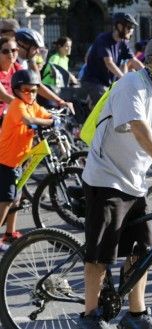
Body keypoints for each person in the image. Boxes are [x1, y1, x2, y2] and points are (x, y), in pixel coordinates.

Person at [78, 36, 152, 329]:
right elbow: (138, 126)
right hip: (106, 179)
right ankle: (89, 315)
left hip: (134, 182)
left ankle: (136, 314)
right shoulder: (132, 84)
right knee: (100, 253)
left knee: (141, 250)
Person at [0, 70, 56, 251]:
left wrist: (54, 117)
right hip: (5, 161)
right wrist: (49, 122)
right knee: (7, 200)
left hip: (18, 160)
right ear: (16, 91)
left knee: (16, 198)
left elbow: (45, 114)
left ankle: (9, 233)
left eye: (34, 90)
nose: (30, 94)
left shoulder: (32, 103)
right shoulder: (18, 105)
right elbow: (27, 120)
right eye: (26, 90)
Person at [81, 13, 144, 108]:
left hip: (107, 83)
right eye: (130, 27)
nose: (132, 30)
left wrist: (149, 75)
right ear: (119, 26)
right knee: (109, 106)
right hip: (93, 82)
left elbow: (134, 61)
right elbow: (109, 63)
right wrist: (124, 79)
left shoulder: (123, 42)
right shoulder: (103, 40)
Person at [15, 28, 74, 111]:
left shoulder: (26, 61)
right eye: (35, 48)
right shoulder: (12, 63)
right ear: (21, 45)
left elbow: (37, 84)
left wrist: (60, 101)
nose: (38, 51)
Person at [0, 37, 22, 125]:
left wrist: (59, 101)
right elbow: (4, 96)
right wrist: (28, 106)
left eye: (13, 50)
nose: (10, 54)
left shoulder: (17, 68)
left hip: (6, 114)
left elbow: (36, 85)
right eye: (5, 51)